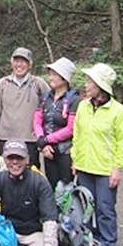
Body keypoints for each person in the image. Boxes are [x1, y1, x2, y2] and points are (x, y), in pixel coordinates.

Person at [71, 63, 123, 246]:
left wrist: (118, 168)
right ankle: (91, 245)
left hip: (105, 170)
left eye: (90, 81)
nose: (86, 85)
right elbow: (78, 135)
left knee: (105, 210)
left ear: (100, 85)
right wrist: (75, 159)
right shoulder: (83, 106)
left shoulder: (118, 111)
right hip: (84, 167)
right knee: (87, 210)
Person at [0, 47, 49, 167]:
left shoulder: (38, 83)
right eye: (16, 61)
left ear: (30, 65)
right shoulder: (3, 83)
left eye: (23, 61)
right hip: (6, 137)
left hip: (30, 138)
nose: (19, 65)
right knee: (6, 170)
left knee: (31, 171)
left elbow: (50, 106)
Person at [34, 57, 80, 189]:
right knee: (51, 187)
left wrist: (47, 139)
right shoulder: (45, 98)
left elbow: (71, 128)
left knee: (66, 189)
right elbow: (37, 121)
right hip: (48, 151)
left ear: (64, 78)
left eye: (54, 75)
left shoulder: (74, 100)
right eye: (50, 74)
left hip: (65, 152)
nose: (50, 78)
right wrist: (42, 142)